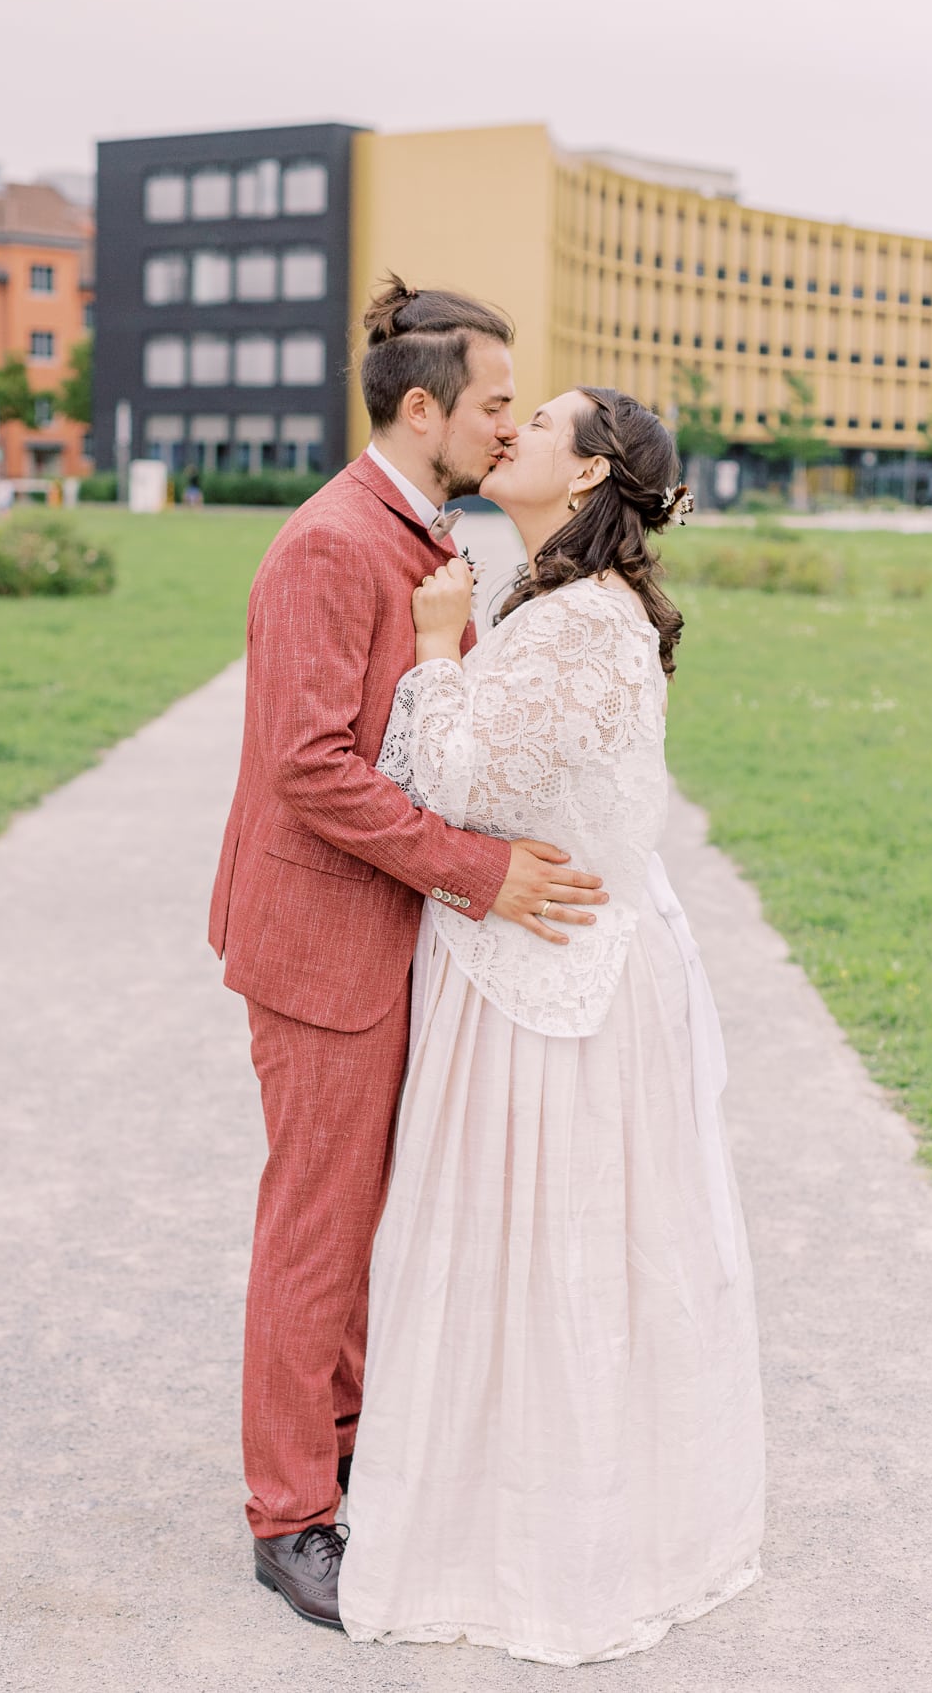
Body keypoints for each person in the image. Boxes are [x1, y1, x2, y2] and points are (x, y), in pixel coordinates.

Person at [338, 387, 766, 1664]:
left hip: (547, 987)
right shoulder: (566, 606)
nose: (508, 432)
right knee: (540, 1255)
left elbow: (452, 780)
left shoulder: (578, 620)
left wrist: (431, 646)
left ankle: (535, 1548)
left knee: (539, 1257)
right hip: (544, 961)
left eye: (540, 426)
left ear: (586, 478)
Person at [208, 279, 609, 1627]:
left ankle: (351, 1452)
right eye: (496, 402)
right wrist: (480, 872)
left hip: (382, 934)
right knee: (315, 1231)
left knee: (365, 1221)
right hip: (322, 939)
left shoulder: (417, 529)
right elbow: (309, 768)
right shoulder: (330, 543)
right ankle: (290, 1514)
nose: (508, 424)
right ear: (422, 404)